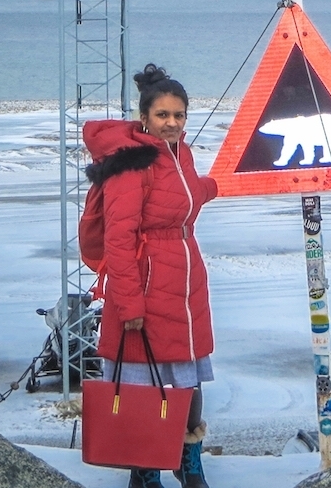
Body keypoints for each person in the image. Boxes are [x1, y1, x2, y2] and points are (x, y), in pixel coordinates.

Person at [83, 64, 218, 488]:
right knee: (143, 385)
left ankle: (187, 460)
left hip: (185, 284)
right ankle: (144, 469)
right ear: (144, 118)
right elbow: (119, 241)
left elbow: (183, 197)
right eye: (163, 115)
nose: (172, 123)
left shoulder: (181, 155)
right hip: (144, 284)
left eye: (179, 115)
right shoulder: (131, 164)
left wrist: (217, 184)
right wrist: (129, 305)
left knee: (188, 381)